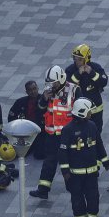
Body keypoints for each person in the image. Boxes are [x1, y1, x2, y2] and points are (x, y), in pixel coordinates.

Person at [58, 98, 109, 217]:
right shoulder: (68, 130)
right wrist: (65, 171)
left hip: (91, 172)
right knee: (77, 198)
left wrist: (105, 160)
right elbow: (63, 152)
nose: (90, 114)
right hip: (74, 174)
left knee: (93, 196)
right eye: (88, 112)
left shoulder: (92, 126)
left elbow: (99, 145)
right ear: (81, 112)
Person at [30, 65, 76, 199]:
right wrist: (44, 99)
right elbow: (39, 111)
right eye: (49, 83)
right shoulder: (48, 92)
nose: (51, 86)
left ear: (61, 79)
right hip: (51, 135)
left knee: (69, 162)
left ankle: (73, 188)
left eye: (54, 83)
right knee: (49, 162)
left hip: (68, 135)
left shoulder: (74, 90)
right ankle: (43, 189)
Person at [65, 45, 109, 133]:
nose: (77, 62)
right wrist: (77, 74)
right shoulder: (70, 70)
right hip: (78, 112)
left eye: (80, 59)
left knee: (96, 134)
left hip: (95, 111)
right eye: (75, 58)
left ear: (87, 58)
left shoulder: (96, 68)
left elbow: (103, 82)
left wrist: (92, 73)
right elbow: (67, 86)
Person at [9, 80, 47, 159]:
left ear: (38, 88)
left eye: (34, 88)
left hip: (40, 131)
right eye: (30, 90)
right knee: (21, 153)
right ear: (26, 92)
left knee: (39, 155)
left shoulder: (44, 101)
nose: (33, 92)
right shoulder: (20, 102)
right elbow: (11, 117)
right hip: (26, 131)